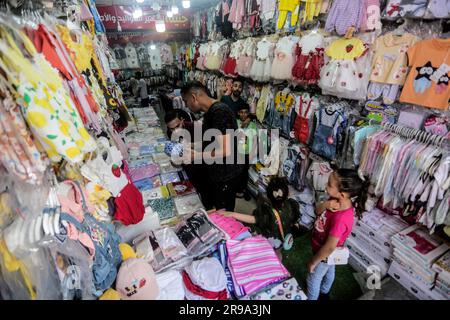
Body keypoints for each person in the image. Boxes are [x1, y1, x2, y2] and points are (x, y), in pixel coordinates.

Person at [306, 169, 369, 300]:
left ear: (342, 194)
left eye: (329, 184)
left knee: (313, 279)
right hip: (325, 252)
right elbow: (317, 211)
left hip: (324, 254)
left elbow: (329, 247)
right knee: (330, 270)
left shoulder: (341, 219)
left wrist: (313, 261)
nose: (326, 186)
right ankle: (325, 292)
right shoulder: (334, 199)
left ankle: (316, 296)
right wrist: (326, 204)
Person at [181, 82, 244, 211]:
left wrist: (196, 155)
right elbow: (212, 142)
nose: (186, 106)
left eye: (186, 101)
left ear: (194, 97)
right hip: (217, 172)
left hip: (226, 174)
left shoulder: (220, 112)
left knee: (224, 213)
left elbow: (226, 150)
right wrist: (192, 145)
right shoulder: (211, 112)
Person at [220, 177, 300, 260]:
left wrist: (231, 214)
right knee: (278, 252)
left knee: (266, 254)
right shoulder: (291, 205)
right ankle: (278, 261)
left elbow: (252, 219)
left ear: (268, 196)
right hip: (283, 238)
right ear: (286, 194)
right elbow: (295, 219)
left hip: (270, 241)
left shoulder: (268, 213)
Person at [236, 104, 257, 200]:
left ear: (248, 113)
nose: (243, 114)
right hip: (237, 152)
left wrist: (252, 154)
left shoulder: (252, 125)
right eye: (241, 112)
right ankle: (236, 190)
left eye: (245, 112)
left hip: (247, 153)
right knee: (236, 172)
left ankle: (242, 190)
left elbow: (255, 140)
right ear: (238, 113)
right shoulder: (235, 123)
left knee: (244, 173)